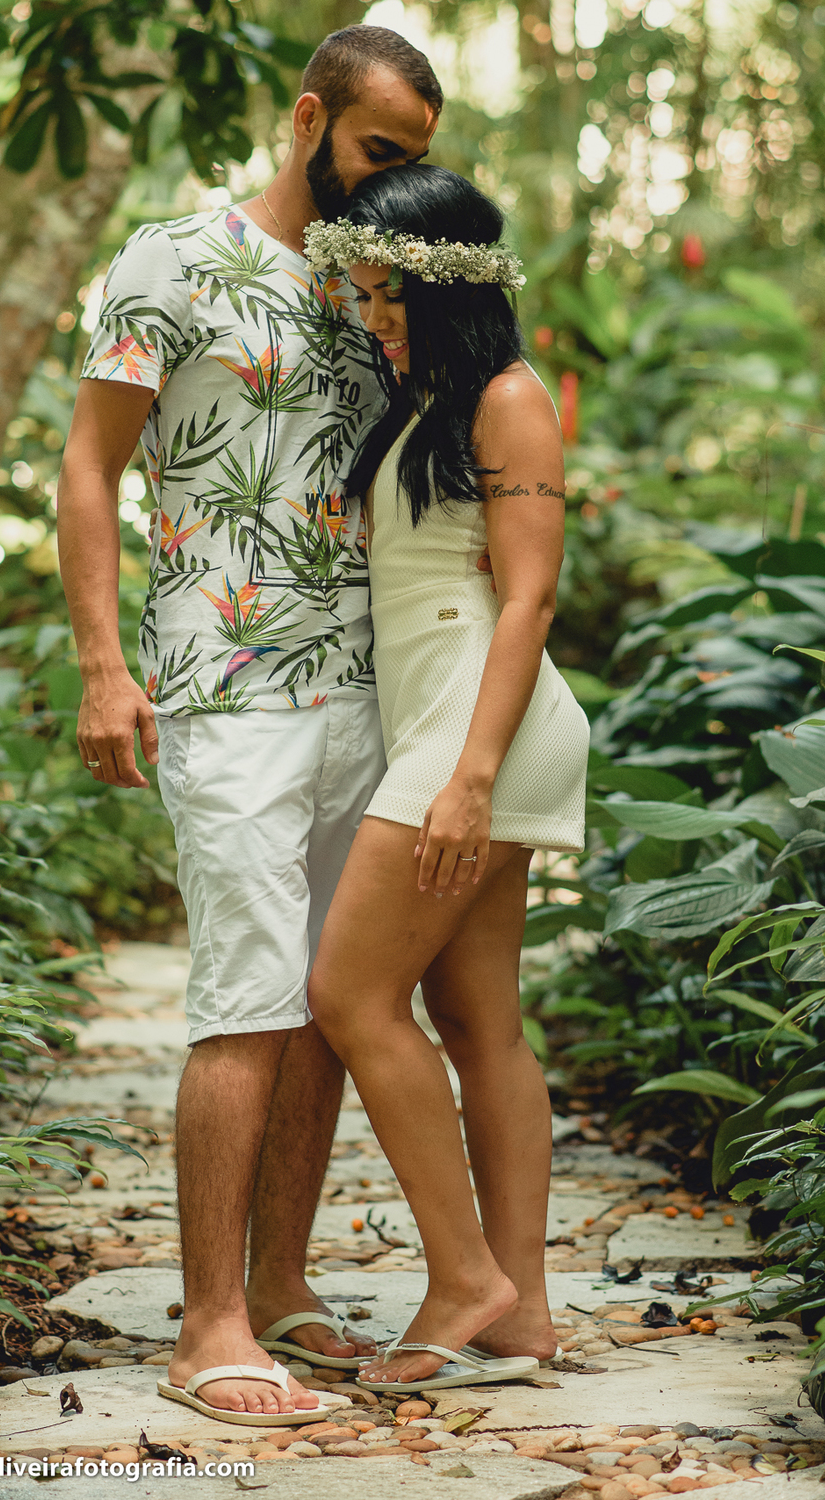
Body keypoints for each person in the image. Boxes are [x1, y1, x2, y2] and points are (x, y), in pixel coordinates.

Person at [56, 26, 443, 1425]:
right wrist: (106, 666)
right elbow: (90, 468)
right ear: (308, 119)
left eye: (417, 161)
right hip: (225, 688)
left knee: (333, 1010)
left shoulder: (374, 283)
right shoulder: (173, 258)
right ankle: (206, 1322)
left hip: (367, 689)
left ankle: (280, 1285)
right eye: (378, 151)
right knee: (244, 1003)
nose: (396, 179)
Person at [305, 164, 590, 1392]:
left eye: (386, 294)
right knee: (479, 1021)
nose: (372, 316)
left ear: (445, 283)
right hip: (447, 718)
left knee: (350, 995)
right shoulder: (429, 396)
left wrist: (469, 778)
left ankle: (466, 1272)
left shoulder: (511, 398)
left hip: (481, 726)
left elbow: (527, 597)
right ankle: (521, 1311)